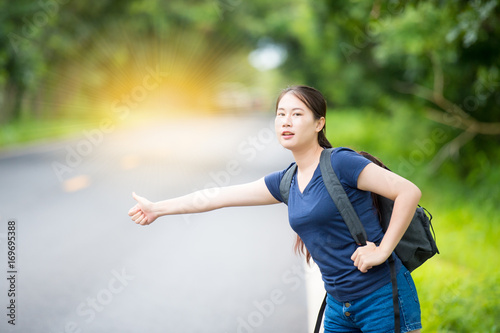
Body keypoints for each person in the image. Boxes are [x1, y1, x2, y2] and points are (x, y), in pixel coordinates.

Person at [128, 85, 423, 333]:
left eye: (297, 114)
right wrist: (157, 208)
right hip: (338, 305)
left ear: (319, 123)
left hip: (382, 298)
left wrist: (382, 250)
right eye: (281, 114)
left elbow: (408, 191)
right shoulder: (286, 181)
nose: (286, 122)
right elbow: (217, 196)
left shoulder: (341, 163)